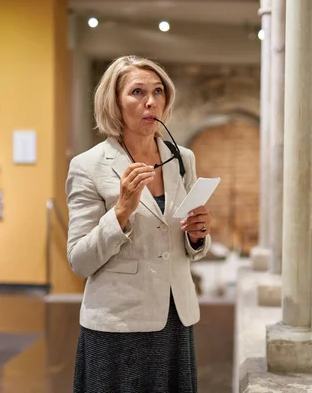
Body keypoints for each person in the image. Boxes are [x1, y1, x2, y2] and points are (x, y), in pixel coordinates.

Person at [65, 55, 212, 393]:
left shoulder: (182, 158)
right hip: (118, 324)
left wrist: (196, 235)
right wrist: (120, 211)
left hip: (175, 317)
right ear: (113, 103)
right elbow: (79, 259)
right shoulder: (88, 166)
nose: (151, 102)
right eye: (137, 92)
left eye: (158, 91)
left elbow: (184, 245)